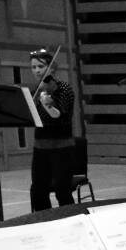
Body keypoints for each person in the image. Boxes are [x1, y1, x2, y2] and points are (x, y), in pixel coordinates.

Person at [29, 47, 76, 211]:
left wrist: (47, 104)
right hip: (40, 148)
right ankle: (44, 223)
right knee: (37, 192)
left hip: (61, 148)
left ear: (52, 68)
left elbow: (58, 116)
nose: (37, 70)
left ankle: (70, 221)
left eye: (40, 67)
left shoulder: (63, 89)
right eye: (33, 67)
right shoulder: (36, 90)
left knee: (62, 192)